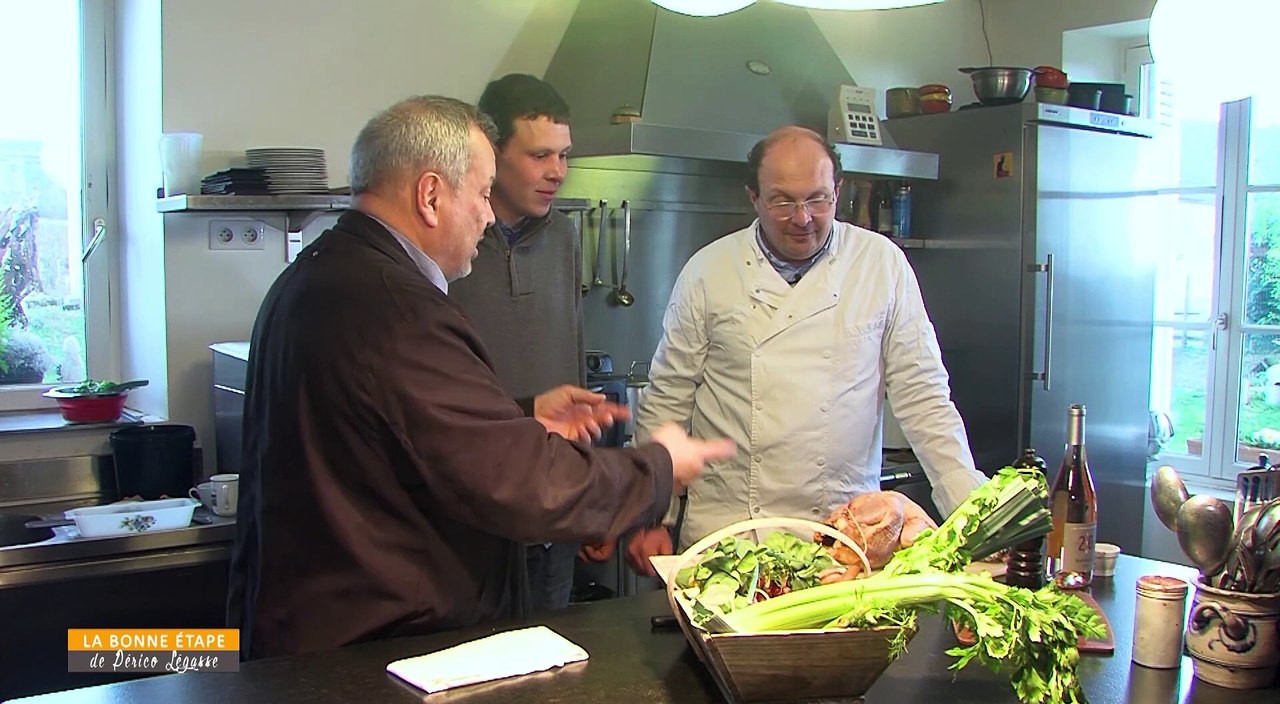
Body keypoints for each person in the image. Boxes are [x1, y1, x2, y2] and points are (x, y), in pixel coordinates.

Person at [226, 95, 734, 659]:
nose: (489, 215)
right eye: (483, 193)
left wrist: (518, 416)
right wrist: (658, 468)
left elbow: (388, 431)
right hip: (377, 653)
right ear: (431, 195)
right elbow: (522, 484)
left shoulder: (318, 274)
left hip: (318, 635)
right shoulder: (399, 307)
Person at [620, 125, 986, 572]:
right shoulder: (709, 271)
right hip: (729, 534)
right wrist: (649, 516)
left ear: (839, 191)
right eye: (782, 200)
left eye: (817, 198)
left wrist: (972, 511)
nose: (803, 217)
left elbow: (924, 396)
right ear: (753, 196)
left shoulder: (880, 264)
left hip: (844, 536)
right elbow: (667, 399)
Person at [449, 74, 582, 612]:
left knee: (549, 676)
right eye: (539, 155)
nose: (557, 172)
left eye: (564, 156)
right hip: (475, 516)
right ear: (492, 153)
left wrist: (585, 497)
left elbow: (572, 355)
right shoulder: (449, 244)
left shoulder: (566, 237)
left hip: (553, 508)